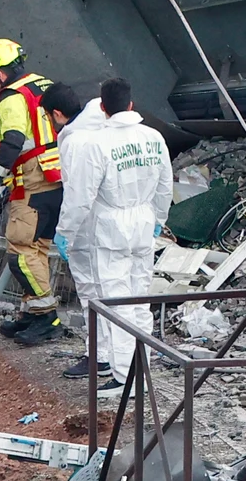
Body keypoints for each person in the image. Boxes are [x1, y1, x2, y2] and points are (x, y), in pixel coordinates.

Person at [56, 77, 172, 393]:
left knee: (116, 302)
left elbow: (80, 196)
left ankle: (124, 377)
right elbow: (165, 185)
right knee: (140, 298)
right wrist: (159, 218)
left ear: (103, 108)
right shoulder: (153, 137)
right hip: (144, 222)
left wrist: (65, 231)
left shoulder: (97, 144)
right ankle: (141, 368)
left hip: (111, 228)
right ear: (131, 105)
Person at [0, 38, 64, 345]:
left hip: (33, 180)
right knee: (37, 249)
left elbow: (14, 138)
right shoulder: (42, 84)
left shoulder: (11, 96)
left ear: (0, 73)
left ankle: (47, 318)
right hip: (56, 176)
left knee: (21, 251)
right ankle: (31, 313)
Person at [41, 83, 108, 381]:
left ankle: (100, 357)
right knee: (119, 293)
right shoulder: (101, 124)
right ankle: (120, 356)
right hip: (118, 224)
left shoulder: (74, 142)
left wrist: (64, 232)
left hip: (89, 227)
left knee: (92, 293)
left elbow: (77, 196)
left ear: (57, 114)